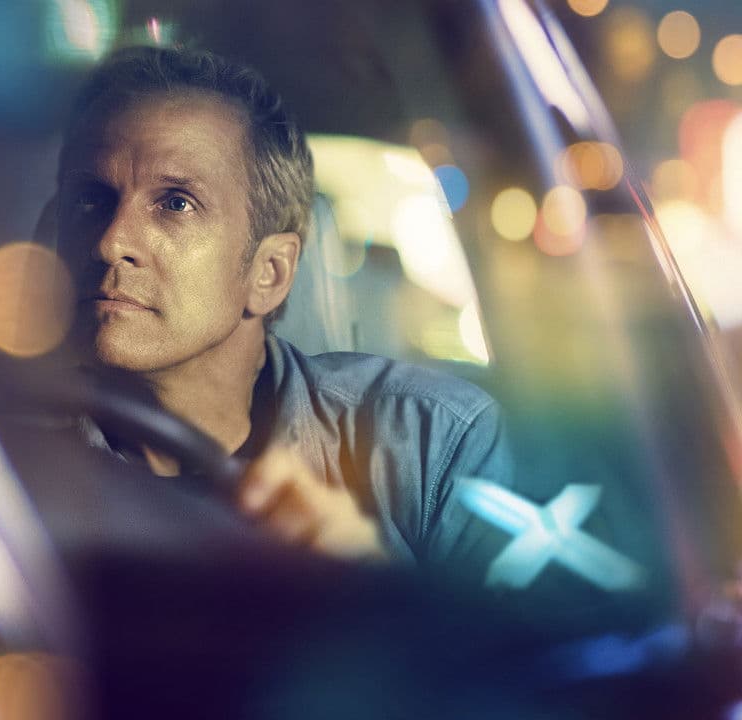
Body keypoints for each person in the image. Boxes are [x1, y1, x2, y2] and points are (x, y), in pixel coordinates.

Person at [52, 45, 514, 572]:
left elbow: (534, 624)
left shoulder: (433, 443)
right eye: (90, 200)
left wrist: (370, 591)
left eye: (176, 203)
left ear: (269, 272)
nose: (110, 242)